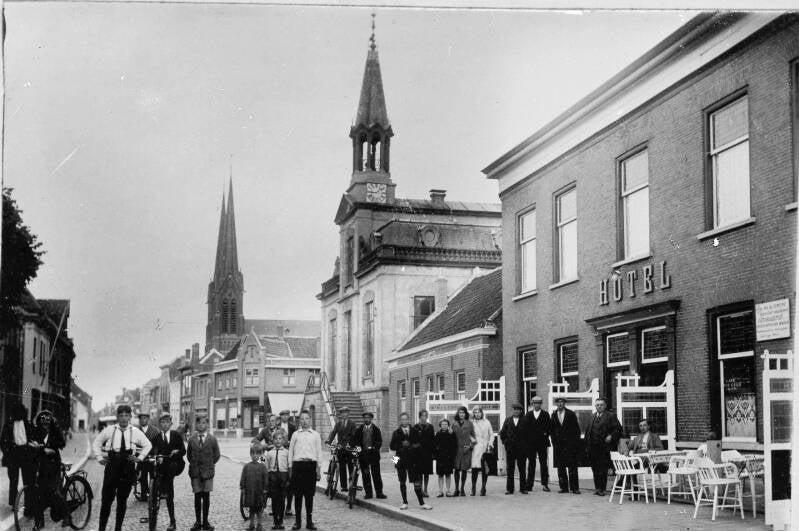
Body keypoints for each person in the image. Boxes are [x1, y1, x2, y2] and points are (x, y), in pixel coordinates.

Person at [93, 404, 153, 531]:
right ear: (117, 417)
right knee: (106, 500)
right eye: (121, 416)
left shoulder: (135, 432)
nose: (124, 419)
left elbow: (148, 445)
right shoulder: (109, 430)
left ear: (130, 417)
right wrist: (99, 458)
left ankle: (118, 528)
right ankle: (101, 528)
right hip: (112, 466)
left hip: (127, 467)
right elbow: (97, 443)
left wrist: (140, 458)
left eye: (126, 416)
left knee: (122, 501)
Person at [29, 410, 68, 530]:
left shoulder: (55, 431)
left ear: (51, 422)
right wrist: (41, 448)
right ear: (39, 422)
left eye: (47, 421)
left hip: (54, 466)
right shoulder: (36, 432)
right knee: (37, 493)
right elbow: (31, 443)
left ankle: (67, 515)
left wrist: (49, 446)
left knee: (53, 491)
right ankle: (39, 522)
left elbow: (62, 443)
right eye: (43, 421)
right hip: (41, 466)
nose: (45, 424)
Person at [389, 412, 432, 510]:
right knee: (402, 482)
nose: (404, 421)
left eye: (406, 419)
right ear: (400, 421)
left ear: (409, 420)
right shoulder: (396, 432)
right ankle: (405, 502)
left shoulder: (414, 431)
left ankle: (422, 503)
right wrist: (395, 462)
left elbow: (420, 444)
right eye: (402, 419)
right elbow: (392, 448)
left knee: (416, 482)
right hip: (401, 461)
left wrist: (412, 446)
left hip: (413, 461)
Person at [151, 413, 186, 531]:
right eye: (163, 422)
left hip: (176, 465)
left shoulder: (176, 435)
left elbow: (183, 451)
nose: (165, 424)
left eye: (167, 422)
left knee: (170, 468)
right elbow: (152, 453)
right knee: (169, 493)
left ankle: (164, 489)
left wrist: (176, 452)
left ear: (171, 423)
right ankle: (172, 522)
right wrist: (157, 456)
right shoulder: (156, 438)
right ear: (159, 424)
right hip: (162, 467)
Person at [288, 410, 321, 530]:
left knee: (309, 496)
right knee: (298, 495)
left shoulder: (316, 435)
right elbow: (291, 452)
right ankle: (297, 522)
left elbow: (318, 453)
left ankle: (309, 522)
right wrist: (290, 468)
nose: (304, 421)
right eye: (302, 419)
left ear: (310, 420)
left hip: (310, 466)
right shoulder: (295, 435)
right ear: (299, 421)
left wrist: (318, 469)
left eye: (307, 419)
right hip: (298, 466)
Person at [187, 416, 220, 530]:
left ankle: (205, 521)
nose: (201, 425)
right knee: (197, 497)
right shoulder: (191, 439)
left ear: (207, 425)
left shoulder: (212, 439)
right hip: (195, 472)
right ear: (196, 425)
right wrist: (196, 464)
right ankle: (197, 521)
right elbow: (189, 455)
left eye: (204, 423)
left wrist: (209, 464)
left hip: (208, 473)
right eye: (199, 423)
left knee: (206, 497)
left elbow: (217, 455)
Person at [585, 397, 622, 496]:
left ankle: (602, 489)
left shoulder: (610, 416)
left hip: (604, 447)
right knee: (595, 468)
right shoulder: (592, 416)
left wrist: (611, 436)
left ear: (605, 406)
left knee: (602, 469)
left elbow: (618, 429)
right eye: (597, 405)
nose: (599, 406)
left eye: (601, 405)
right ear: (595, 406)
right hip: (593, 448)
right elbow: (588, 432)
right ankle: (597, 488)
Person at [1, 403, 35, 509]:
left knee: (28, 480)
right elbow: (2, 441)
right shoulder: (9, 424)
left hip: (26, 454)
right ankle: (14, 504)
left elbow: (32, 436)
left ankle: (28, 504)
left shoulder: (27, 423)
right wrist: (7, 452)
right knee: (13, 480)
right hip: (13, 455)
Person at [549, 396, 581, 494]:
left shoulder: (571, 414)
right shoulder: (553, 415)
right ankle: (564, 488)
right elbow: (551, 430)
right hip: (559, 445)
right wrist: (554, 442)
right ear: (556, 404)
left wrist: (574, 443)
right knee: (561, 467)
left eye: (562, 402)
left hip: (570, 445)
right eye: (558, 402)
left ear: (564, 403)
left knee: (572, 467)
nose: (560, 404)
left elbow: (577, 430)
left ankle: (574, 488)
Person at [351, 411, 385, 499]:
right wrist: (358, 447)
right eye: (365, 418)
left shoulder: (376, 430)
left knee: (376, 474)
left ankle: (379, 493)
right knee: (366, 475)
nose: (366, 419)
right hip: (363, 456)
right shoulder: (359, 430)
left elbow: (379, 442)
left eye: (368, 418)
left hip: (373, 455)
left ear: (371, 419)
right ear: (363, 419)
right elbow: (355, 441)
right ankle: (368, 493)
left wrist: (374, 448)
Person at [324, 406, 357, 494]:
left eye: (345, 413)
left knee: (350, 466)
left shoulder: (352, 424)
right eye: (342, 413)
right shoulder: (338, 424)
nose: (343, 415)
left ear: (348, 414)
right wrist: (328, 441)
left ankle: (351, 484)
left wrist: (350, 443)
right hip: (341, 448)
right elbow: (333, 432)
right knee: (342, 467)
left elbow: (354, 435)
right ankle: (344, 486)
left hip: (349, 448)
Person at [499, 403, 528, 495]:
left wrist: (525, 446)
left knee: (522, 469)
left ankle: (523, 488)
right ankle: (510, 489)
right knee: (510, 469)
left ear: (521, 411)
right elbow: (502, 433)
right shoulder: (508, 420)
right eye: (514, 409)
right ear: (512, 410)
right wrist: (506, 443)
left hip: (521, 449)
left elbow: (529, 435)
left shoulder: (525, 420)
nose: (516, 411)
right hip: (510, 449)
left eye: (518, 409)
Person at [264, 429, 290, 530]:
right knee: (274, 500)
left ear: (283, 440)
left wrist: (288, 480)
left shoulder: (287, 453)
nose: (278, 441)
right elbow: (267, 468)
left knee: (282, 500)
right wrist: (267, 480)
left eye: (280, 439)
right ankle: (275, 521)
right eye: (276, 439)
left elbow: (289, 467)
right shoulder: (270, 453)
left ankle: (281, 521)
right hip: (273, 477)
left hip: (283, 476)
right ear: (273, 440)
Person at [524, 396, 551, 492]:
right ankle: (529, 484)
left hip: (542, 443)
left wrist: (544, 434)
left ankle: (545, 484)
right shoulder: (528, 415)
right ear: (532, 404)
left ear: (541, 404)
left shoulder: (545, 415)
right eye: (535, 403)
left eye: (538, 403)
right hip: (531, 444)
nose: (536, 405)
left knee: (543, 463)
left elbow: (549, 428)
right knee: (531, 463)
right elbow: (525, 429)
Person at [241, 444, 269, 531]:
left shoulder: (263, 467)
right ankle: (251, 524)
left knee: (259, 509)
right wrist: (243, 487)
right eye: (252, 453)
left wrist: (265, 488)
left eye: (257, 453)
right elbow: (243, 477)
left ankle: (259, 525)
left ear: (260, 455)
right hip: (250, 491)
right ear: (250, 454)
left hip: (259, 491)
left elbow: (265, 478)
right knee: (252, 509)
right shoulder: (246, 466)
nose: (254, 455)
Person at [451, 406, 475, 497]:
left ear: (466, 414)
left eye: (463, 413)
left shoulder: (469, 424)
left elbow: (473, 437)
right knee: (456, 469)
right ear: (458, 414)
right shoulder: (454, 424)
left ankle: (462, 489)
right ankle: (456, 489)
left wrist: (469, 447)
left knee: (464, 469)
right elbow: (451, 437)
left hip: (466, 449)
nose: (461, 414)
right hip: (456, 450)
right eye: (460, 412)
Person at [469, 406, 493, 496]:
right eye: (475, 412)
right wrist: (472, 439)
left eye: (479, 412)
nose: (477, 414)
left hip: (485, 447)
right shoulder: (471, 423)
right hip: (476, 448)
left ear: (482, 413)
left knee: (484, 469)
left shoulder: (487, 422)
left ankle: (483, 488)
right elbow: (468, 433)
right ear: (473, 414)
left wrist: (490, 444)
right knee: (475, 468)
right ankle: (473, 488)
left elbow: (491, 434)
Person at [137, 412, 160, 501]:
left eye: (145, 418)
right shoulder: (136, 430)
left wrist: (156, 454)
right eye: (141, 418)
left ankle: (153, 493)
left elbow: (158, 444)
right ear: (139, 420)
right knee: (142, 476)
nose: (143, 420)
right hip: (141, 457)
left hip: (152, 456)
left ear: (148, 419)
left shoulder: (155, 430)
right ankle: (143, 494)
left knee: (153, 475)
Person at [432, 418, 457, 497]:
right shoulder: (437, 434)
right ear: (440, 425)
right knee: (440, 475)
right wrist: (436, 455)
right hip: (440, 458)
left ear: (448, 426)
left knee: (448, 475)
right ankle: (440, 491)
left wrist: (452, 456)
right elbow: (434, 445)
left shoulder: (451, 434)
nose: (444, 426)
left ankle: (448, 491)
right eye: (442, 424)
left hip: (449, 458)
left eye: (446, 424)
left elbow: (454, 445)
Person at [414, 410, 435, 497]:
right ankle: (421, 490)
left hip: (427, 453)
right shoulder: (415, 427)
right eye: (422, 416)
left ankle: (426, 490)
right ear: (419, 417)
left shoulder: (430, 427)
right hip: (419, 453)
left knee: (426, 473)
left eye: (425, 416)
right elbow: (414, 440)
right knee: (419, 473)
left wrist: (433, 453)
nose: (424, 417)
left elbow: (433, 439)